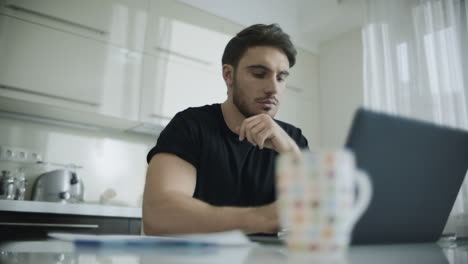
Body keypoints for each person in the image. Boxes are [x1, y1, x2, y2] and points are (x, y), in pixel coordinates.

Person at [143, 24, 309, 236]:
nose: (273, 88)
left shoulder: (293, 139)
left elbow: (321, 219)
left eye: (281, 77)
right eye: (259, 74)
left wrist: (291, 152)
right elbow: (159, 216)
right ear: (228, 75)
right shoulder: (190, 126)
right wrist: (264, 218)